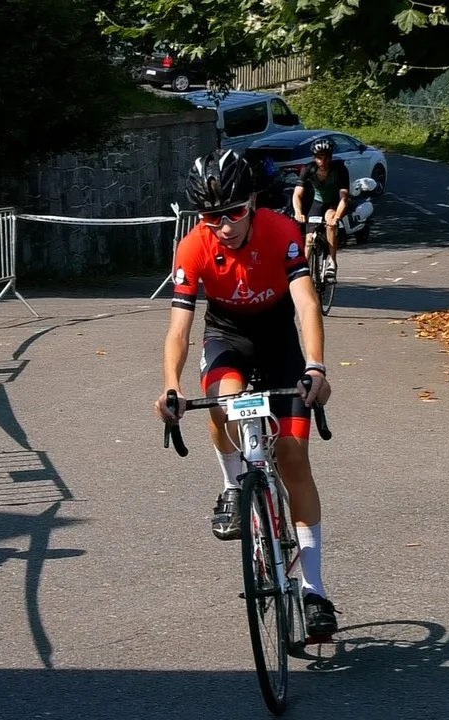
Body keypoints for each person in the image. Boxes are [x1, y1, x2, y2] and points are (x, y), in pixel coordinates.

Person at [154, 149, 340, 638]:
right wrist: (171, 386)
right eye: (210, 216)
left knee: (294, 457)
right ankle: (235, 485)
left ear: (252, 201)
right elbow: (179, 329)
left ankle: (314, 590)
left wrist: (316, 366)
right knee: (225, 402)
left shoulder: (281, 231)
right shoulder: (193, 247)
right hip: (227, 339)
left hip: (279, 342)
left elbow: (306, 302)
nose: (223, 226)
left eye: (233, 212)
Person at [292, 137, 351, 279]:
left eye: (326, 158)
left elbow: (344, 198)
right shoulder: (308, 169)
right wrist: (298, 212)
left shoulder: (339, 169)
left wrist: (337, 217)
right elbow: (297, 194)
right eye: (319, 158)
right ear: (314, 158)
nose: (322, 162)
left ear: (331, 157)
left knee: (330, 223)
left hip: (334, 204)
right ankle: (303, 273)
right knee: (309, 238)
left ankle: (332, 261)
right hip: (318, 203)